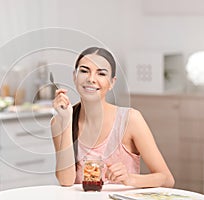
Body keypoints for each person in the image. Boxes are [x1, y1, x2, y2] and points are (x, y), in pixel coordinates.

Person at [51, 47, 175, 188]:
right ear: (74, 76)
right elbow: (66, 181)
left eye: (101, 74)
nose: (91, 79)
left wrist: (130, 179)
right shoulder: (59, 121)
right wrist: (66, 121)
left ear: (112, 82)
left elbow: (167, 179)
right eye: (84, 71)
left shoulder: (130, 120)